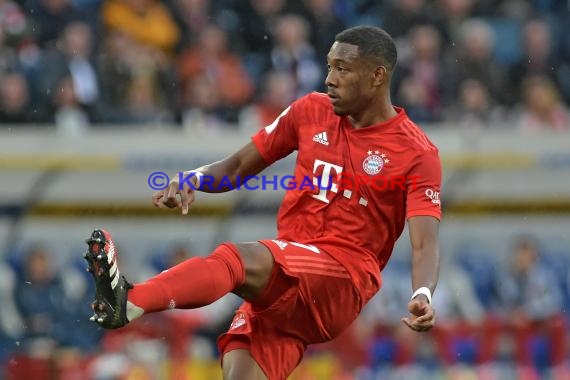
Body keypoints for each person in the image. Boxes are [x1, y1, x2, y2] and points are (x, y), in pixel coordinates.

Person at [84, 26, 442, 380]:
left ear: (377, 76)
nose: (330, 78)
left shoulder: (416, 152)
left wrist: (423, 292)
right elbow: (238, 166)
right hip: (287, 277)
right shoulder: (310, 111)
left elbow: (424, 242)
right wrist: (191, 178)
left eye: (343, 69)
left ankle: (130, 301)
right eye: (329, 66)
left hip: (343, 278)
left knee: (236, 258)